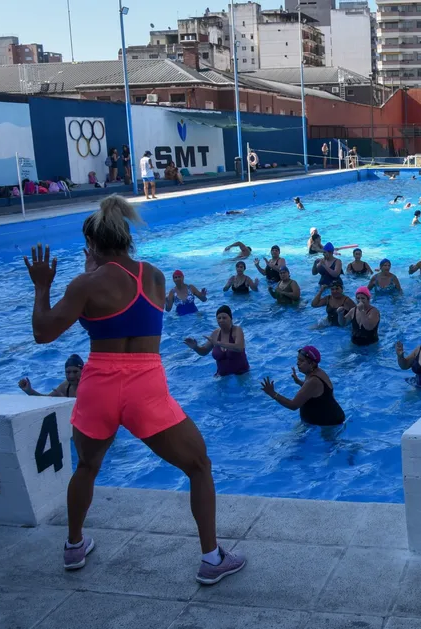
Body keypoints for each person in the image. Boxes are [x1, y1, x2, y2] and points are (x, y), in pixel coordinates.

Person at [23, 195, 244, 581]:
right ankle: (211, 559)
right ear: (127, 238)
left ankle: (74, 546)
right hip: (145, 386)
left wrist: (43, 286)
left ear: (91, 246)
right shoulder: (156, 277)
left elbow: (44, 332)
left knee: (88, 467)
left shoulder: (85, 285)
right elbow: (132, 312)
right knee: (198, 465)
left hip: (98, 386)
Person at [261, 346, 346, 427]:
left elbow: (293, 405)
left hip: (329, 423)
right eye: (298, 359)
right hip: (329, 418)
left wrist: (272, 393)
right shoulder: (316, 372)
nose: (297, 363)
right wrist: (299, 382)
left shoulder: (313, 381)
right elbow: (316, 393)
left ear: (312, 363)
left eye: (302, 361)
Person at [185, 305, 250, 376]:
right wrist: (195, 347)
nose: (221, 320)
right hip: (222, 375)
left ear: (231, 319)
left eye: (224, 318)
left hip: (241, 373)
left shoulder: (237, 330)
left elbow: (239, 348)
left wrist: (218, 343)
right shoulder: (215, 334)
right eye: (219, 318)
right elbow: (204, 352)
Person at [19, 354, 84, 398]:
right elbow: (46, 400)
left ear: (83, 371)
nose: (72, 376)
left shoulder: (89, 385)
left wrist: (64, 400)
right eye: (68, 372)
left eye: (75, 372)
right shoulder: (65, 386)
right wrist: (29, 391)